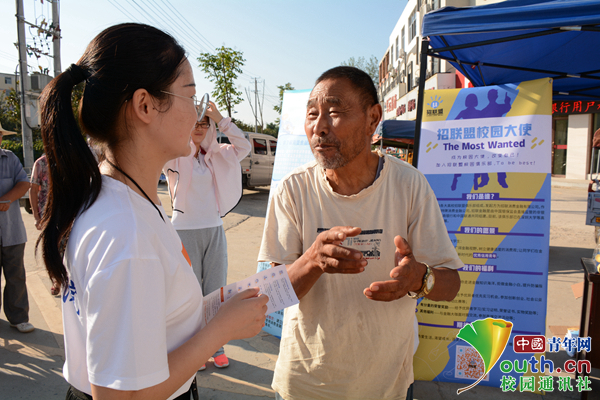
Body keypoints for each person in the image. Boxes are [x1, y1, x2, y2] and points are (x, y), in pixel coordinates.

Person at [39, 23, 268, 400]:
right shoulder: (127, 232)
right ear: (145, 105)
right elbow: (120, 396)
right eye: (189, 95)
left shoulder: (118, 198)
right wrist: (219, 331)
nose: (196, 114)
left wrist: (212, 310)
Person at [258, 66, 463, 400]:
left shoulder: (409, 185)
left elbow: (451, 285)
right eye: (312, 115)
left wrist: (419, 278)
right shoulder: (293, 190)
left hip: (387, 386)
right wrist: (312, 261)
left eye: (335, 112)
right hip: (307, 383)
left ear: (373, 118)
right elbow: (269, 295)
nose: (319, 127)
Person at [163, 101, 250, 370]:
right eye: (195, 123)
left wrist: (220, 118)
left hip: (213, 229)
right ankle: (193, 350)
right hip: (183, 230)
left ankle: (217, 347)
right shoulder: (175, 155)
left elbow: (244, 147)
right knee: (190, 293)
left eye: (204, 123)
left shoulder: (218, 153)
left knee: (215, 291)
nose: (199, 128)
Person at [0, 123, 34, 334]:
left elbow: (24, 183)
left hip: (12, 231)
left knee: (16, 277)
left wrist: (7, 198)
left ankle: (18, 317)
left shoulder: (10, 158)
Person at [30, 153, 59, 295]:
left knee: (67, 246)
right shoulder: (40, 164)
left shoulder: (66, 157)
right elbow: (33, 190)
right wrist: (36, 216)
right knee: (51, 247)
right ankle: (55, 279)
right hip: (46, 213)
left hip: (67, 211)